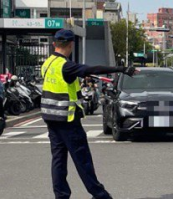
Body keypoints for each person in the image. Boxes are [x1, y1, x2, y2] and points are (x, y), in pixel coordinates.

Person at [41, 29, 136, 199]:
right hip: (68, 120)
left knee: (58, 160)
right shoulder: (66, 66)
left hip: (51, 118)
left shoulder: (47, 63)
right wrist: (121, 68)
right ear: (71, 45)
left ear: (54, 44)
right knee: (82, 159)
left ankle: (61, 195)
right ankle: (100, 195)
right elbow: (92, 69)